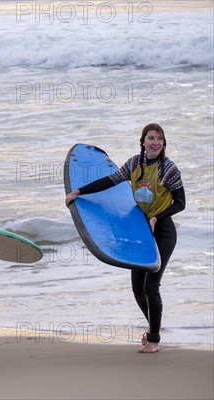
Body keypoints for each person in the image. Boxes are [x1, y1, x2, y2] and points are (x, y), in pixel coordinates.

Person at [65, 123, 185, 353]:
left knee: (151, 286)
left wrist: (157, 217)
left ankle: (154, 341)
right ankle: (153, 330)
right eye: (151, 138)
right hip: (139, 230)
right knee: (137, 289)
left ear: (164, 143)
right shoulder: (134, 164)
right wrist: (79, 192)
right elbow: (110, 181)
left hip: (162, 231)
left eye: (160, 138)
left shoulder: (169, 169)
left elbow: (181, 203)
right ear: (143, 141)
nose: (156, 142)